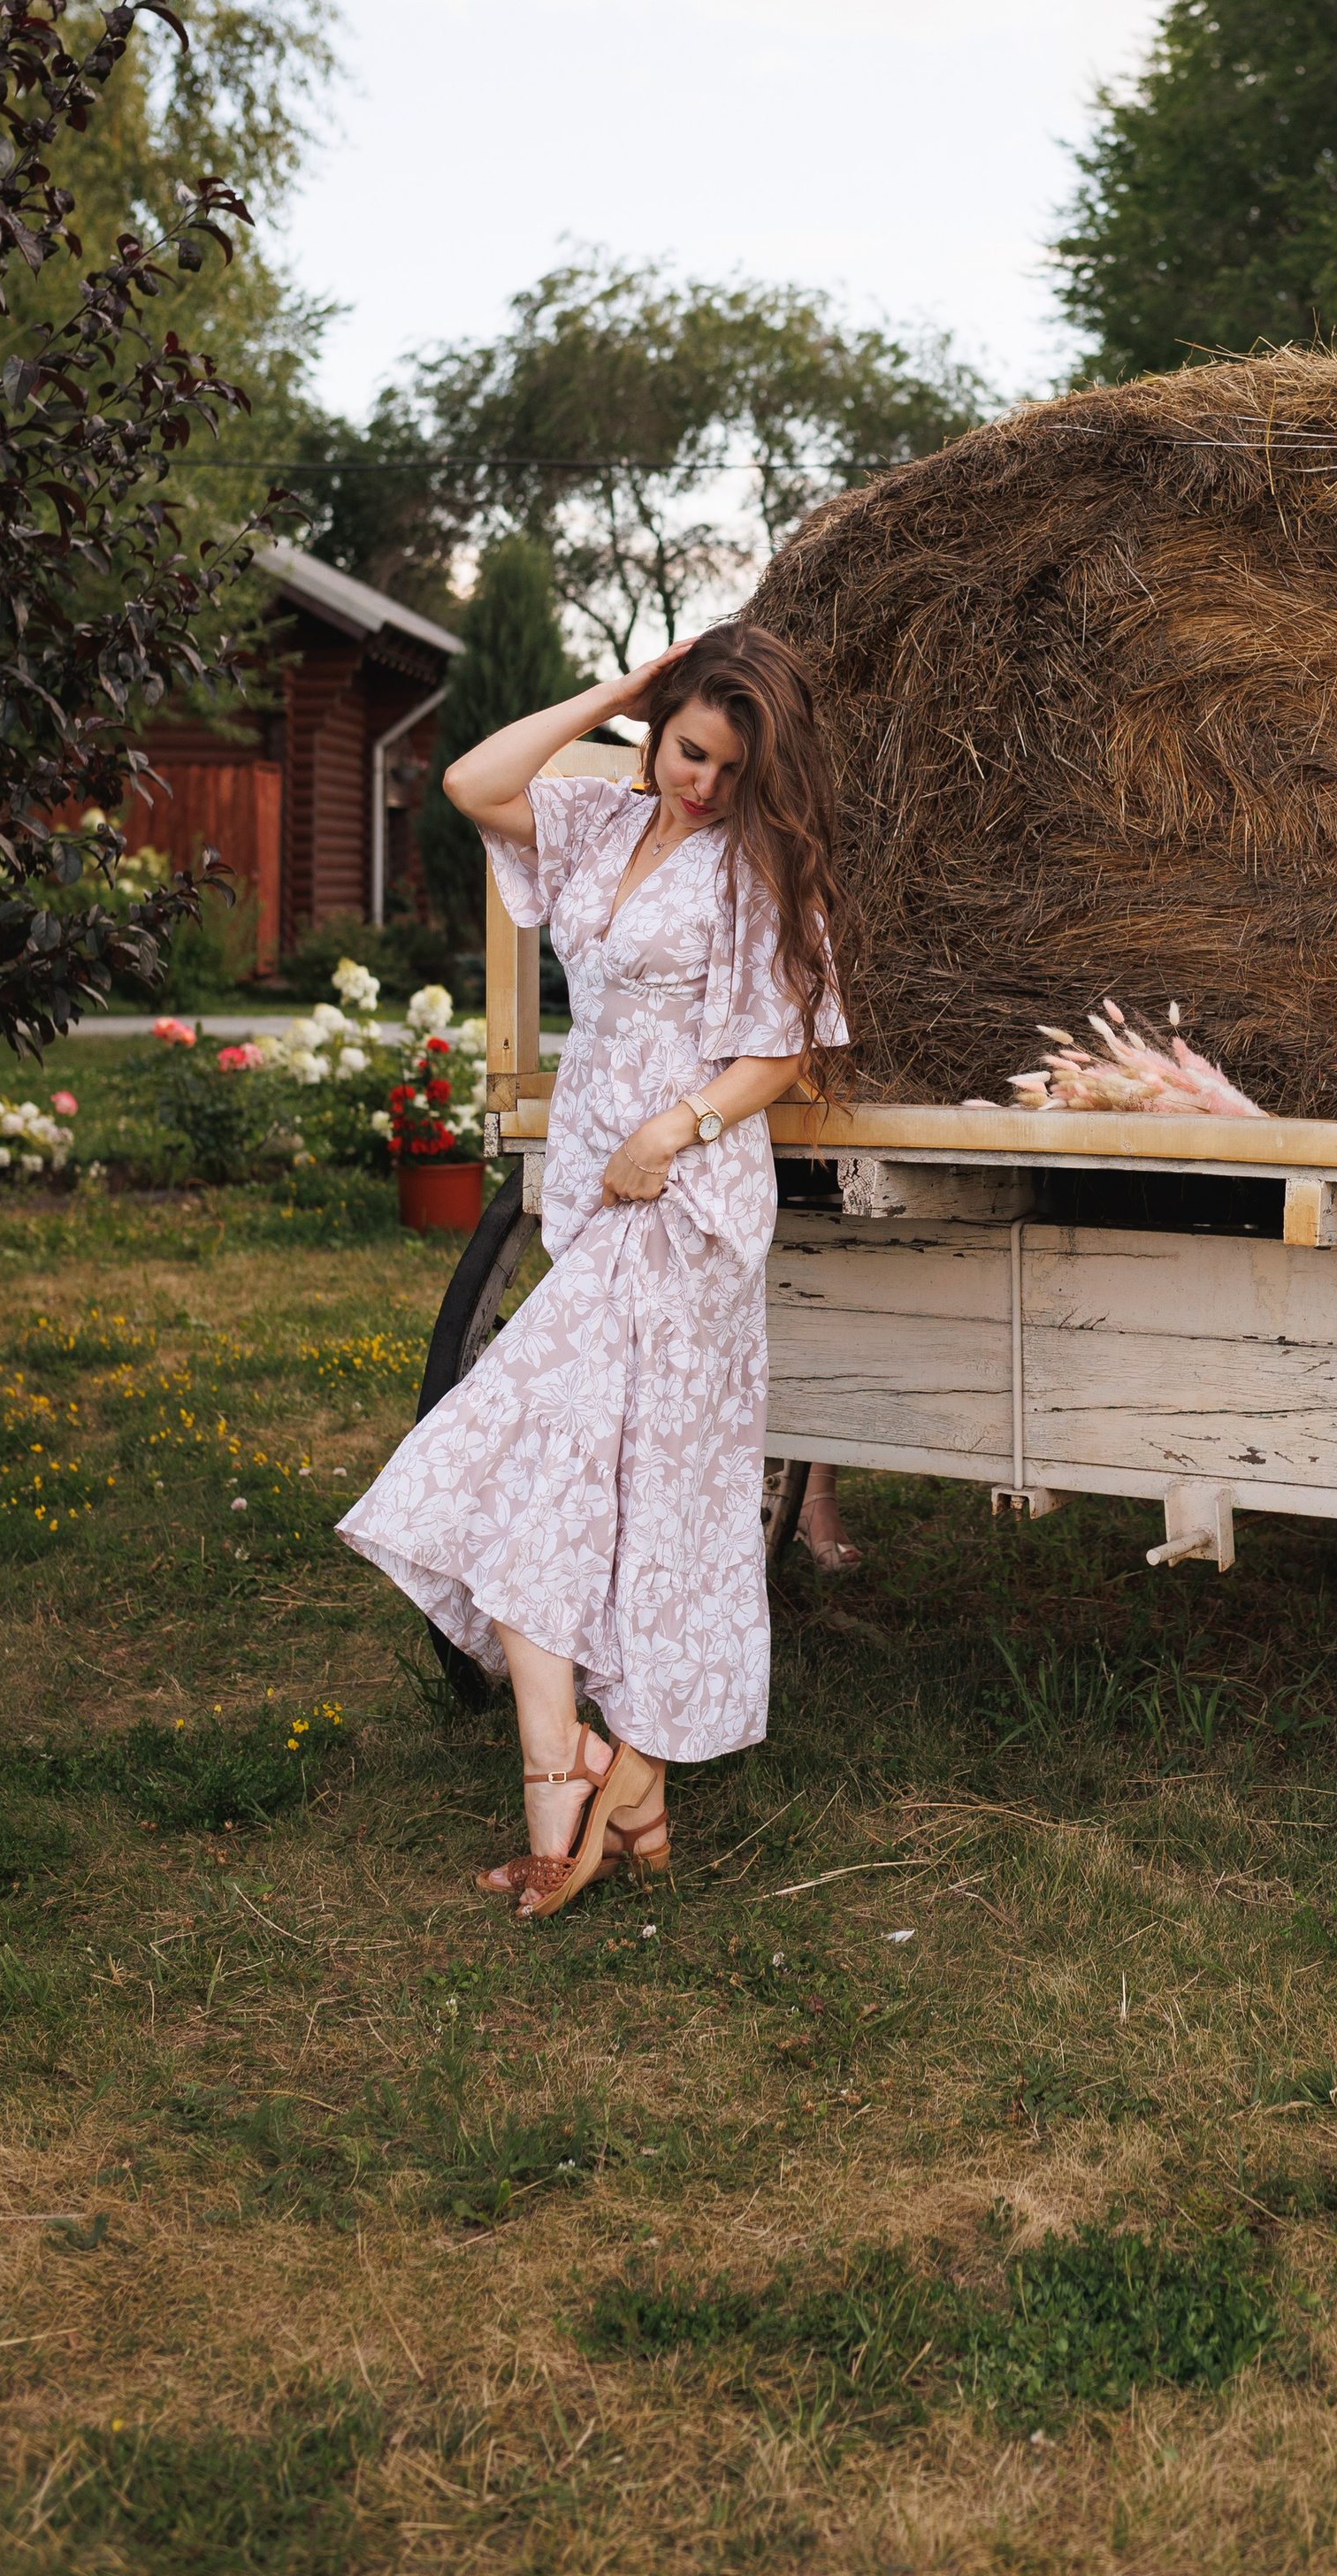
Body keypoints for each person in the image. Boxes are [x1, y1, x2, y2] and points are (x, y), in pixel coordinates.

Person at [339, 623, 856, 1916]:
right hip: (596, 1194)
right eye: (690, 749)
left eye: (735, 768)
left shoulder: (757, 873)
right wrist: (624, 691)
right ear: (660, 725)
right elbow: (469, 782)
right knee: (573, 1478)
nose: (705, 784)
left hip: (680, 1208)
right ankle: (615, 1778)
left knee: (516, 1451)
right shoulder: (592, 827)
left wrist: (674, 1133)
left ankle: (563, 1775)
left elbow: (782, 1054)